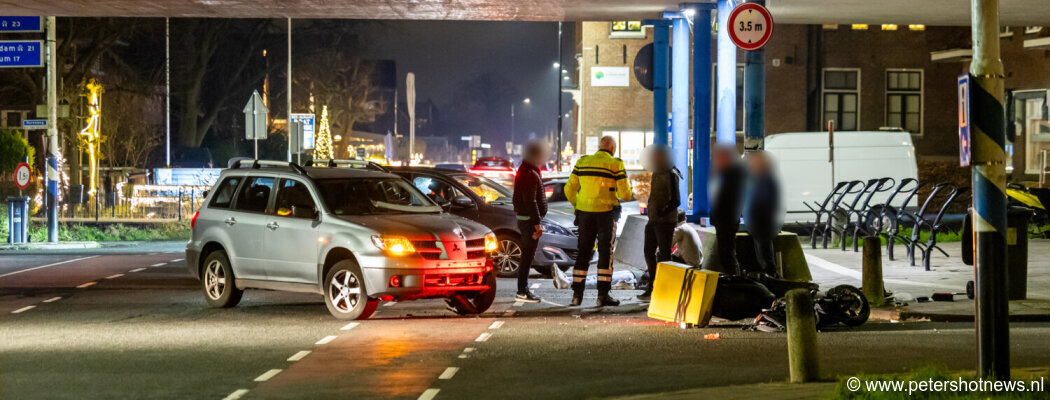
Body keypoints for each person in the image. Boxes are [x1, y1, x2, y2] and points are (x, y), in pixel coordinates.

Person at [564, 136, 632, 307]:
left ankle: (577, 295)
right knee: (605, 253)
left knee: (583, 253)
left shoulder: (583, 162)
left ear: (599, 147)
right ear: (613, 148)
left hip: (585, 214)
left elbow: (568, 189)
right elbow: (625, 195)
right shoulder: (615, 164)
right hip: (606, 214)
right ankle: (602, 295)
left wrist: (578, 204)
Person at [638, 145, 680, 301]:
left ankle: (664, 289)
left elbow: (676, 200)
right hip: (653, 220)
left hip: (665, 222)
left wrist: (662, 211)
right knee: (648, 251)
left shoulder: (671, 174)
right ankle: (652, 286)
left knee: (664, 254)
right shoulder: (656, 173)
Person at [512, 140, 549, 303]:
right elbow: (531, 201)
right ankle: (522, 290)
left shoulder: (527, 170)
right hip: (528, 221)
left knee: (527, 255)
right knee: (527, 256)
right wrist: (537, 224)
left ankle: (523, 289)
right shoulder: (529, 173)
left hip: (527, 220)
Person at [743, 150, 782, 276]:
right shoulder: (756, 179)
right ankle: (768, 276)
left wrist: (755, 220)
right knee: (762, 254)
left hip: (762, 223)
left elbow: (763, 202)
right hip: (757, 222)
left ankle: (771, 278)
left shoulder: (766, 180)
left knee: (765, 255)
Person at [710, 144, 747, 275]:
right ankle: (731, 278)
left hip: (727, 219)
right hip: (723, 219)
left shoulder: (733, 173)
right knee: (725, 253)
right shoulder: (726, 173)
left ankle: (734, 280)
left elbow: (727, 198)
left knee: (727, 253)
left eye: (719, 157)